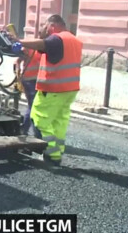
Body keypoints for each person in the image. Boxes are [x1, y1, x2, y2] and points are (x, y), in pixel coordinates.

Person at [14, 14, 83, 165]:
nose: (44, 29)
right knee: (59, 121)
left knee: (39, 118)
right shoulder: (74, 40)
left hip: (53, 88)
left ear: (52, 26)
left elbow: (43, 44)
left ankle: (50, 152)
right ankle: (56, 154)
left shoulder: (56, 39)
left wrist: (18, 41)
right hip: (69, 89)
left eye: (45, 26)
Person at [9, 23, 41, 137]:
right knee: (33, 105)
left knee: (34, 105)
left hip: (38, 81)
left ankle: (28, 129)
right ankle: (29, 130)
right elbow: (17, 60)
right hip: (29, 81)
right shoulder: (30, 46)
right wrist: (18, 74)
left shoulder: (44, 48)